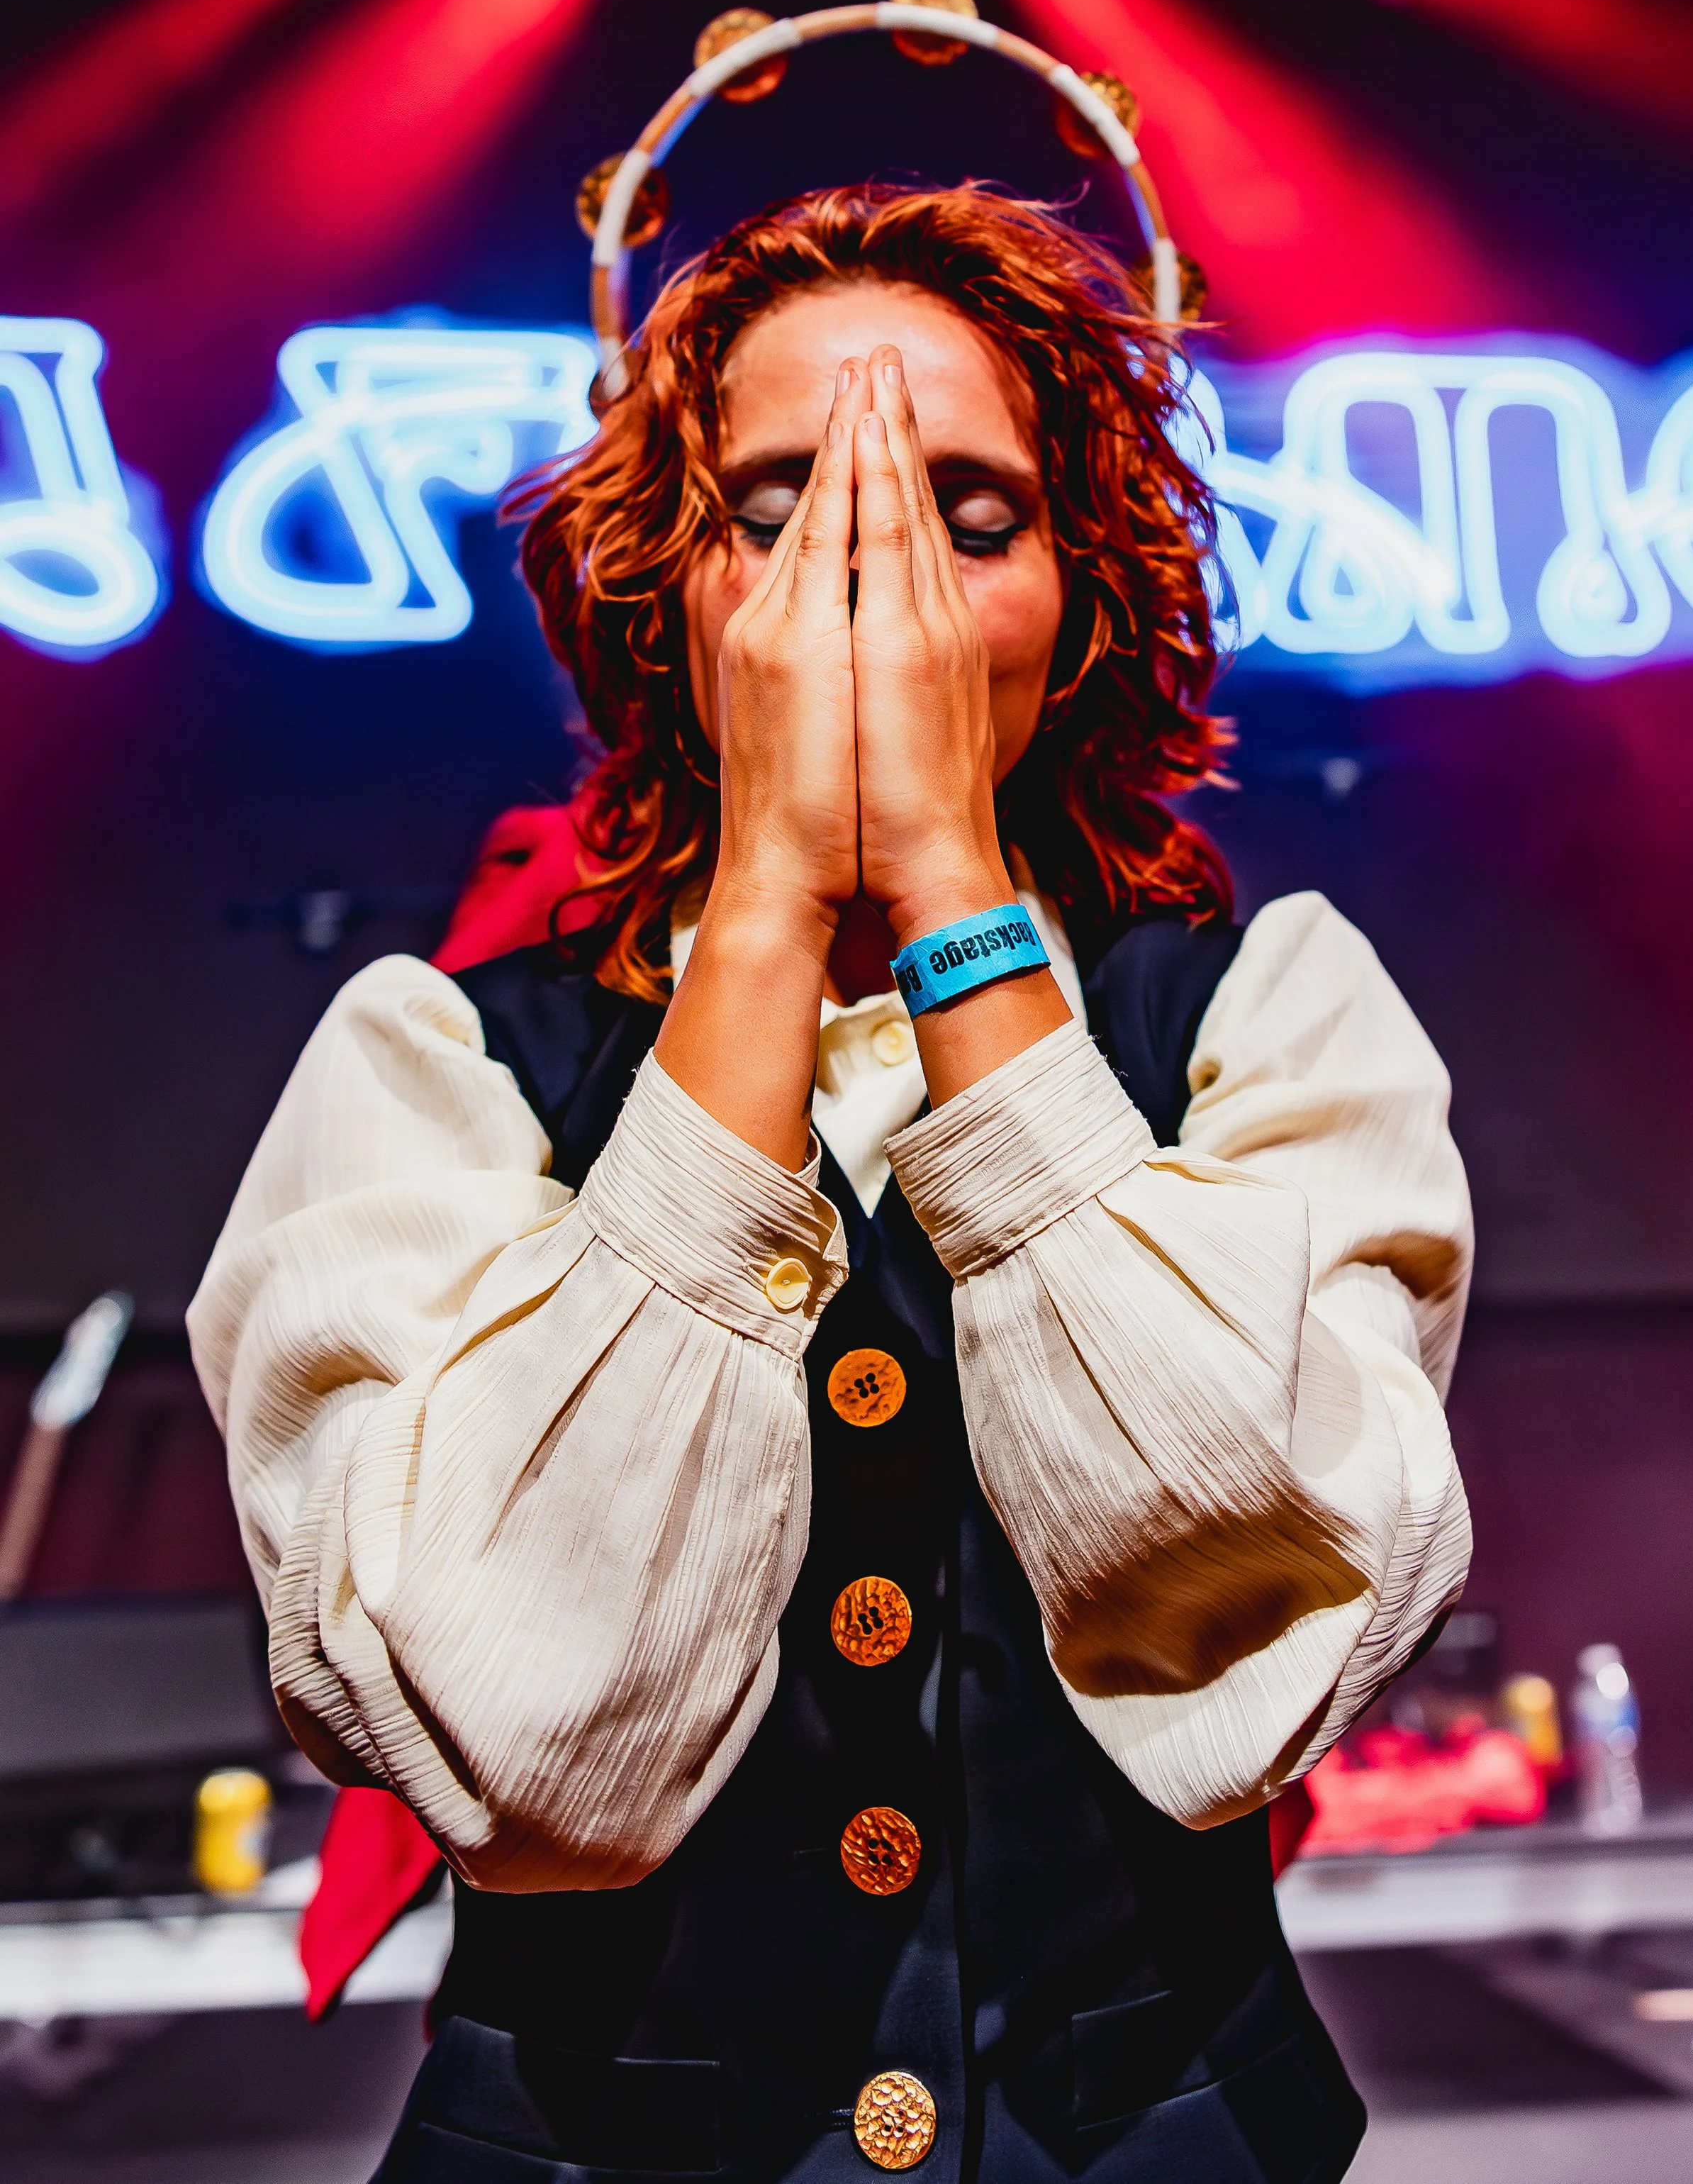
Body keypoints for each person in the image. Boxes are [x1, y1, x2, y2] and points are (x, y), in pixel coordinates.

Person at [190, 183, 1473, 2184]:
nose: (872, 595)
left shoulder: (1268, 1011)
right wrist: (772, 900)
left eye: (968, 519)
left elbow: (1268, 1633)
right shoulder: (431, 1062)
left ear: (1084, 598)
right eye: (781, 512)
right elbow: (518, 1743)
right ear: (665, 591)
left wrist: (950, 880)